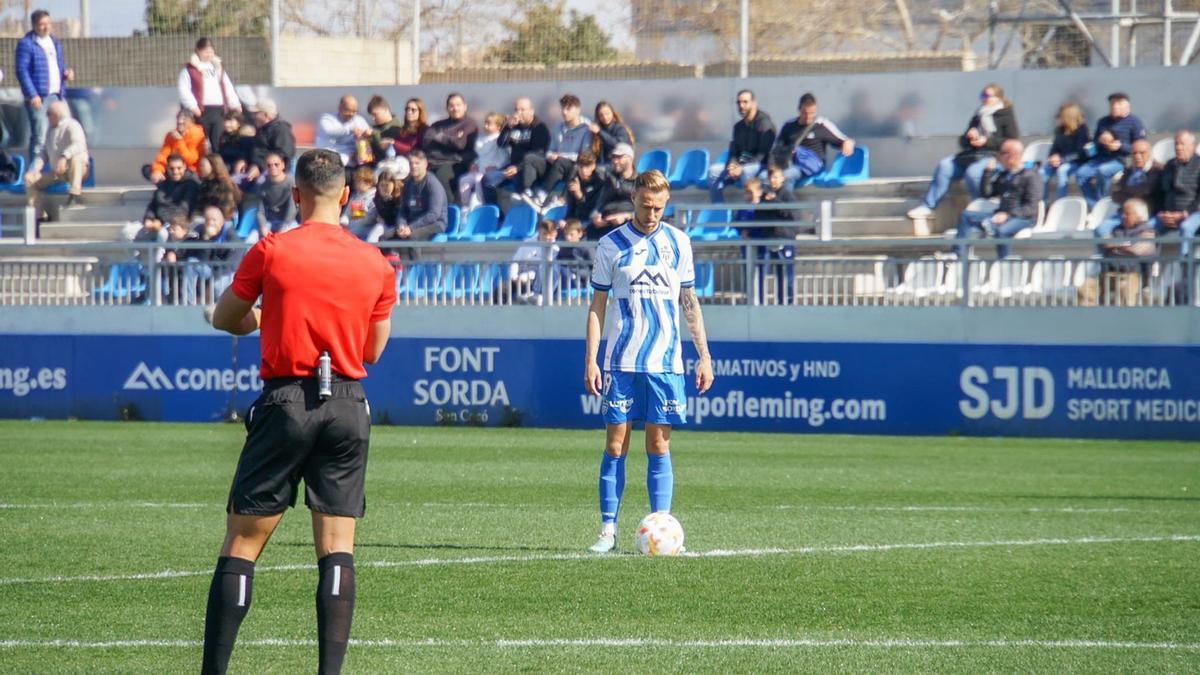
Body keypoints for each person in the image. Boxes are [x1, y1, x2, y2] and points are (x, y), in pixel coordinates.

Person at [200, 148, 396, 675]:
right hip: (349, 404)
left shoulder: (271, 250)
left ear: (295, 195)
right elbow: (373, 351)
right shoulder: (375, 262)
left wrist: (265, 318)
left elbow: (226, 318)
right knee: (336, 549)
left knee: (243, 542)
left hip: (286, 400)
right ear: (346, 197)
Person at [583, 169, 714, 554]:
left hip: (665, 362)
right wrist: (591, 359)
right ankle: (608, 531)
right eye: (645, 204)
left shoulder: (680, 243)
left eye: (658, 207)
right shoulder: (611, 245)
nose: (651, 213)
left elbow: (689, 303)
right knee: (615, 444)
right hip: (621, 360)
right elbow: (597, 306)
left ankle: (662, 529)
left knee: (658, 445)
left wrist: (704, 356)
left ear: (666, 202)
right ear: (634, 198)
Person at [907, 84, 1020, 220]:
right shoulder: (979, 114)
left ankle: (980, 208)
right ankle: (928, 206)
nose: (983, 99)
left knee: (973, 172)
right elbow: (962, 142)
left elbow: (1012, 141)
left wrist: (987, 142)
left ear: (998, 98)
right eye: (982, 96)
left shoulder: (1005, 114)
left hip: (994, 156)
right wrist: (969, 136)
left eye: (987, 96)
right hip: (972, 155)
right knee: (945, 165)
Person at [954, 139, 1042, 259]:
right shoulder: (1004, 176)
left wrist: (1008, 215)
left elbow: (1031, 208)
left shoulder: (1030, 176)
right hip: (1001, 215)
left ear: (1012, 156)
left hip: (1023, 218)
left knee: (1002, 230)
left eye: (1002, 153)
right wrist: (987, 173)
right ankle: (959, 256)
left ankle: (1003, 262)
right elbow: (987, 194)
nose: (999, 157)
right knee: (965, 216)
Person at [15, 9, 74, 163]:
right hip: (39, 97)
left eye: (48, 23)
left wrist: (65, 73)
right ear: (34, 25)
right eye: (42, 24)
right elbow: (22, 71)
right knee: (40, 136)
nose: (46, 27)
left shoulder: (54, 42)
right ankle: (35, 173)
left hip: (57, 95)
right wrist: (32, 94)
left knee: (65, 131)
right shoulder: (27, 44)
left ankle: (61, 169)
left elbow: (56, 66)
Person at [1076, 92, 1147, 208]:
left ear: (1127, 106)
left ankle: (1102, 205)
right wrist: (1100, 141)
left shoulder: (1135, 123)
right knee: (1081, 174)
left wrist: (1120, 146)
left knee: (1102, 171)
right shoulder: (1103, 122)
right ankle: (1094, 205)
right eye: (1112, 104)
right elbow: (1094, 143)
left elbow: (1141, 146)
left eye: (1119, 104)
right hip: (1100, 158)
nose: (1115, 107)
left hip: (1121, 159)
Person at [770, 92, 854, 188]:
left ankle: (786, 201)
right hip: (790, 163)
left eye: (811, 113)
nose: (808, 117)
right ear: (799, 110)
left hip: (813, 165)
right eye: (805, 113)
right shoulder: (789, 125)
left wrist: (848, 142)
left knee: (786, 177)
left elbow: (842, 140)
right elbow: (777, 147)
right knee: (766, 177)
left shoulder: (822, 124)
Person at [708, 89, 776, 202]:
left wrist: (741, 167)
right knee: (713, 172)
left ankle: (748, 213)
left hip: (760, 166)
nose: (741, 105)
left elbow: (762, 154)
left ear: (754, 103)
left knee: (746, 171)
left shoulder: (764, 124)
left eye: (745, 102)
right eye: (739, 102)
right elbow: (734, 150)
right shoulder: (738, 127)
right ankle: (718, 210)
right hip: (741, 166)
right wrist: (731, 165)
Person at [525, 94, 591, 207]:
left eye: (568, 108)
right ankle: (528, 192)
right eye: (562, 108)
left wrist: (561, 156)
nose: (564, 112)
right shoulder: (558, 127)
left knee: (562, 162)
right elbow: (550, 150)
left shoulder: (586, 129)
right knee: (530, 158)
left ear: (578, 110)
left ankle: (545, 195)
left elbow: (584, 155)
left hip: (573, 167)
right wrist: (550, 155)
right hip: (555, 164)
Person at [736, 178, 795, 304]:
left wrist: (750, 232)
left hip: (760, 248)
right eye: (746, 192)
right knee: (748, 276)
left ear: (758, 192)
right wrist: (742, 231)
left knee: (761, 276)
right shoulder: (742, 209)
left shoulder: (762, 207)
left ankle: (762, 302)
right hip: (746, 248)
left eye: (750, 192)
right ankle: (750, 301)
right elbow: (737, 223)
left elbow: (762, 226)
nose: (747, 195)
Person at [24, 100, 88, 214]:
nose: (47, 117)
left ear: (57, 114)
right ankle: (39, 215)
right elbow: (44, 152)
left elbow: (79, 145)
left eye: (49, 114)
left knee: (76, 157)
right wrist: (35, 168)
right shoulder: (50, 130)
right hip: (57, 173)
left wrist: (64, 157)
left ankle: (75, 194)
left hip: (76, 169)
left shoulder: (72, 125)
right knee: (30, 180)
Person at [178, 38, 242, 150]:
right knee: (201, 141)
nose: (209, 55)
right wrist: (193, 107)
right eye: (206, 52)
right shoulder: (189, 70)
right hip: (201, 111)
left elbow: (227, 86)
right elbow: (184, 90)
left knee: (218, 140)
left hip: (219, 110)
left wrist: (234, 103)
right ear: (198, 51)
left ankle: (217, 163)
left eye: (211, 52)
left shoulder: (217, 67)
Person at [491, 97, 550, 206]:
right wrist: (508, 127)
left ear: (531, 111)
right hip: (512, 166)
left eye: (522, 110)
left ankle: (525, 203)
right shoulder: (513, 126)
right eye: (516, 110)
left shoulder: (539, 128)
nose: (518, 113)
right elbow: (501, 144)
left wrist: (518, 168)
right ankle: (496, 214)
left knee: (519, 176)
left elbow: (538, 154)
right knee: (488, 180)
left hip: (528, 168)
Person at [422, 92, 478, 204]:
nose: (455, 108)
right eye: (451, 105)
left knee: (442, 175)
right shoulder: (438, 124)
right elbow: (426, 141)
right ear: (447, 108)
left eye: (458, 105)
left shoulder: (469, 123)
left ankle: (451, 208)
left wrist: (440, 137)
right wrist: (451, 140)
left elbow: (460, 145)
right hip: (437, 161)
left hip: (459, 163)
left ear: (465, 106)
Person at [1099, 139, 1162, 238]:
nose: (1138, 156)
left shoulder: (1158, 170)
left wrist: (1126, 190)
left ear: (1149, 154)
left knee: (1143, 231)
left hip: (1148, 215)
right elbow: (1115, 194)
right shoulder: (1128, 170)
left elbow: (1147, 190)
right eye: (1134, 153)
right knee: (1102, 229)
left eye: (1142, 153)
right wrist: (1136, 194)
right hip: (1124, 215)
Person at [387, 149, 447, 243]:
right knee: (384, 238)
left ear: (425, 164)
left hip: (434, 224)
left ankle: (416, 258)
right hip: (411, 224)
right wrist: (401, 225)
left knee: (412, 237)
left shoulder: (432, 184)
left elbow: (434, 214)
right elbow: (402, 210)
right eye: (411, 163)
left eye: (417, 163)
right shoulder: (408, 183)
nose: (413, 166)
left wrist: (411, 228)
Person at [1155, 130, 1200, 248]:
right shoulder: (1170, 165)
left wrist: (1185, 213)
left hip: (1194, 213)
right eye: (1176, 144)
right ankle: (1147, 265)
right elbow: (1161, 192)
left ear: (1192, 146)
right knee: (1148, 228)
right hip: (1169, 214)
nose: (1178, 147)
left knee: (1186, 227)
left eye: (1182, 144)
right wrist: (1162, 213)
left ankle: (1186, 264)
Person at [457, 112, 508, 211]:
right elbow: (479, 156)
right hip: (479, 169)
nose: (485, 126)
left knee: (478, 180)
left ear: (498, 127)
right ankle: (465, 206)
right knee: (464, 180)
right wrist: (474, 164)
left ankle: (479, 204)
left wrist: (496, 166)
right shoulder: (481, 139)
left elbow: (505, 156)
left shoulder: (499, 140)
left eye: (489, 124)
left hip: (489, 171)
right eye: (485, 123)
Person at [1041, 102, 1090, 203]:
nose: (1057, 118)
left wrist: (1062, 160)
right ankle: (1043, 203)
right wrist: (1052, 157)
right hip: (1060, 160)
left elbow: (1080, 152)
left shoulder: (1082, 130)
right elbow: (1054, 148)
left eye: (1060, 115)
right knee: (1042, 172)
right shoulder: (1059, 130)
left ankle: (1060, 203)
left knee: (1062, 171)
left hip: (1076, 162)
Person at [588, 143, 637, 239]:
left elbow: (645, 209)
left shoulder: (639, 182)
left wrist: (627, 216)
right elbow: (601, 201)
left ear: (630, 158)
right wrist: (595, 216)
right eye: (613, 158)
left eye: (619, 157)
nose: (614, 161)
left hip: (628, 224)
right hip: (606, 224)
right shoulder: (610, 180)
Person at [145, 110, 206, 184]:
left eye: (184, 119)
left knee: (186, 174)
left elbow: (191, 160)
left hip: (189, 170)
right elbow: (163, 155)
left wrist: (179, 141)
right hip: (172, 168)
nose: (180, 122)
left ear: (191, 122)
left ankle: (168, 186)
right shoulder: (171, 135)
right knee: (147, 169)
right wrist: (157, 170)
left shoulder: (197, 134)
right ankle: (165, 185)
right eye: (178, 119)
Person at [509, 219, 559, 304]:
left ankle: (536, 296)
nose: (547, 237)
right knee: (502, 289)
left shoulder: (556, 248)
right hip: (519, 277)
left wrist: (526, 276)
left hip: (534, 280)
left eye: (550, 234)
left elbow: (542, 268)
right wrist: (514, 276)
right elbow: (515, 260)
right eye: (544, 234)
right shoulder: (527, 242)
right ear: (539, 231)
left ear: (555, 234)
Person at [142, 153, 199, 228]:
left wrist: (161, 221)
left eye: (179, 168)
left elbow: (184, 210)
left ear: (184, 167)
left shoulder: (191, 184)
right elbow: (153, 204)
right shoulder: (163, 184)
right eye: (172, 168)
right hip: (158, 222)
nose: (175, 172)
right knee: (129, 232)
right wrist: (148, 219)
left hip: (179, 224)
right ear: (167, 168)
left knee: (162, 235)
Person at [317, 95, 372, 171]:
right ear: (340, 108)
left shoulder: (360, 120)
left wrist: (366, 134)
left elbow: (369, 134)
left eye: (355, 111)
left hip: (354, 164)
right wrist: (350, 130)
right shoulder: (327, 119)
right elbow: (329, 132)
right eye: (349, 110)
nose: (352, 114)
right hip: (332, 165)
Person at [247, 99, 296, 184]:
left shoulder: (281, 129)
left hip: (273, 171)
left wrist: (259, 167)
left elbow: (283, 153)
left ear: (265, 114)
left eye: (256, 113)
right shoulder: (262, 129)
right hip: (256, 167)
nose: (253, 116)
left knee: (257, 186)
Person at [254, 152, 296, 239]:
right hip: (269, 222)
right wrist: (263, 226)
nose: (273, 167)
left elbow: (293, 208)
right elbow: (259, 211)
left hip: (290, 222)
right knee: (251, 241)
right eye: (269, 165)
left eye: (276, 164)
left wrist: (284, 228)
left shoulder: (293, 183)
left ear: (283, 165)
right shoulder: (262, 185)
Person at [565, 151, 605, 237]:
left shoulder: (599, 183)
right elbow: (570, 208)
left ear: (593, 166)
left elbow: (592, 211)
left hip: (590, 221)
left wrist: (580, 196)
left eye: (587, 166)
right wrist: (566, 221)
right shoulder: (574, 180)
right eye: (581, 166)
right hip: (575, 221)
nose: (583, 170)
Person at [195, 153, 242, 222]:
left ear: (213, 166)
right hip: (204, 218)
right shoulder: (205, 184)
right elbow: (199, 206)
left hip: (219, 221)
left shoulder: (224, 184)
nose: (200, 168)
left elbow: (226, 209)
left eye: (203, 166)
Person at [342, 167, 381, 242]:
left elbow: (370, 218)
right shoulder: (354, 196)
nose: (356, 184)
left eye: (359, 181)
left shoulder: (374, 197)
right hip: (350, 230)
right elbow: (346, 214)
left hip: (364, 232)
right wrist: (343, 223)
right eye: (356, 181)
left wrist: (358, 215)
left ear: (369, 183)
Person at [589, 101, 634, 165]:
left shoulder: (620, 128)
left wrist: (599, 132)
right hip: (600, 164)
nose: (605, 117)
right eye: (601, 115)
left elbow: (619, 145)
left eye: (607, 114)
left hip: (617, 164)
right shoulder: (596, 129)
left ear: (612, 113)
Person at [218, 110, 253, 178]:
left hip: (237, 170)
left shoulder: (245, 137)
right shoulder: (225, 136)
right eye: (225, 121)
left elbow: (244, 156)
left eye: (230, 121)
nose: (226, 124)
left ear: (239, 123)